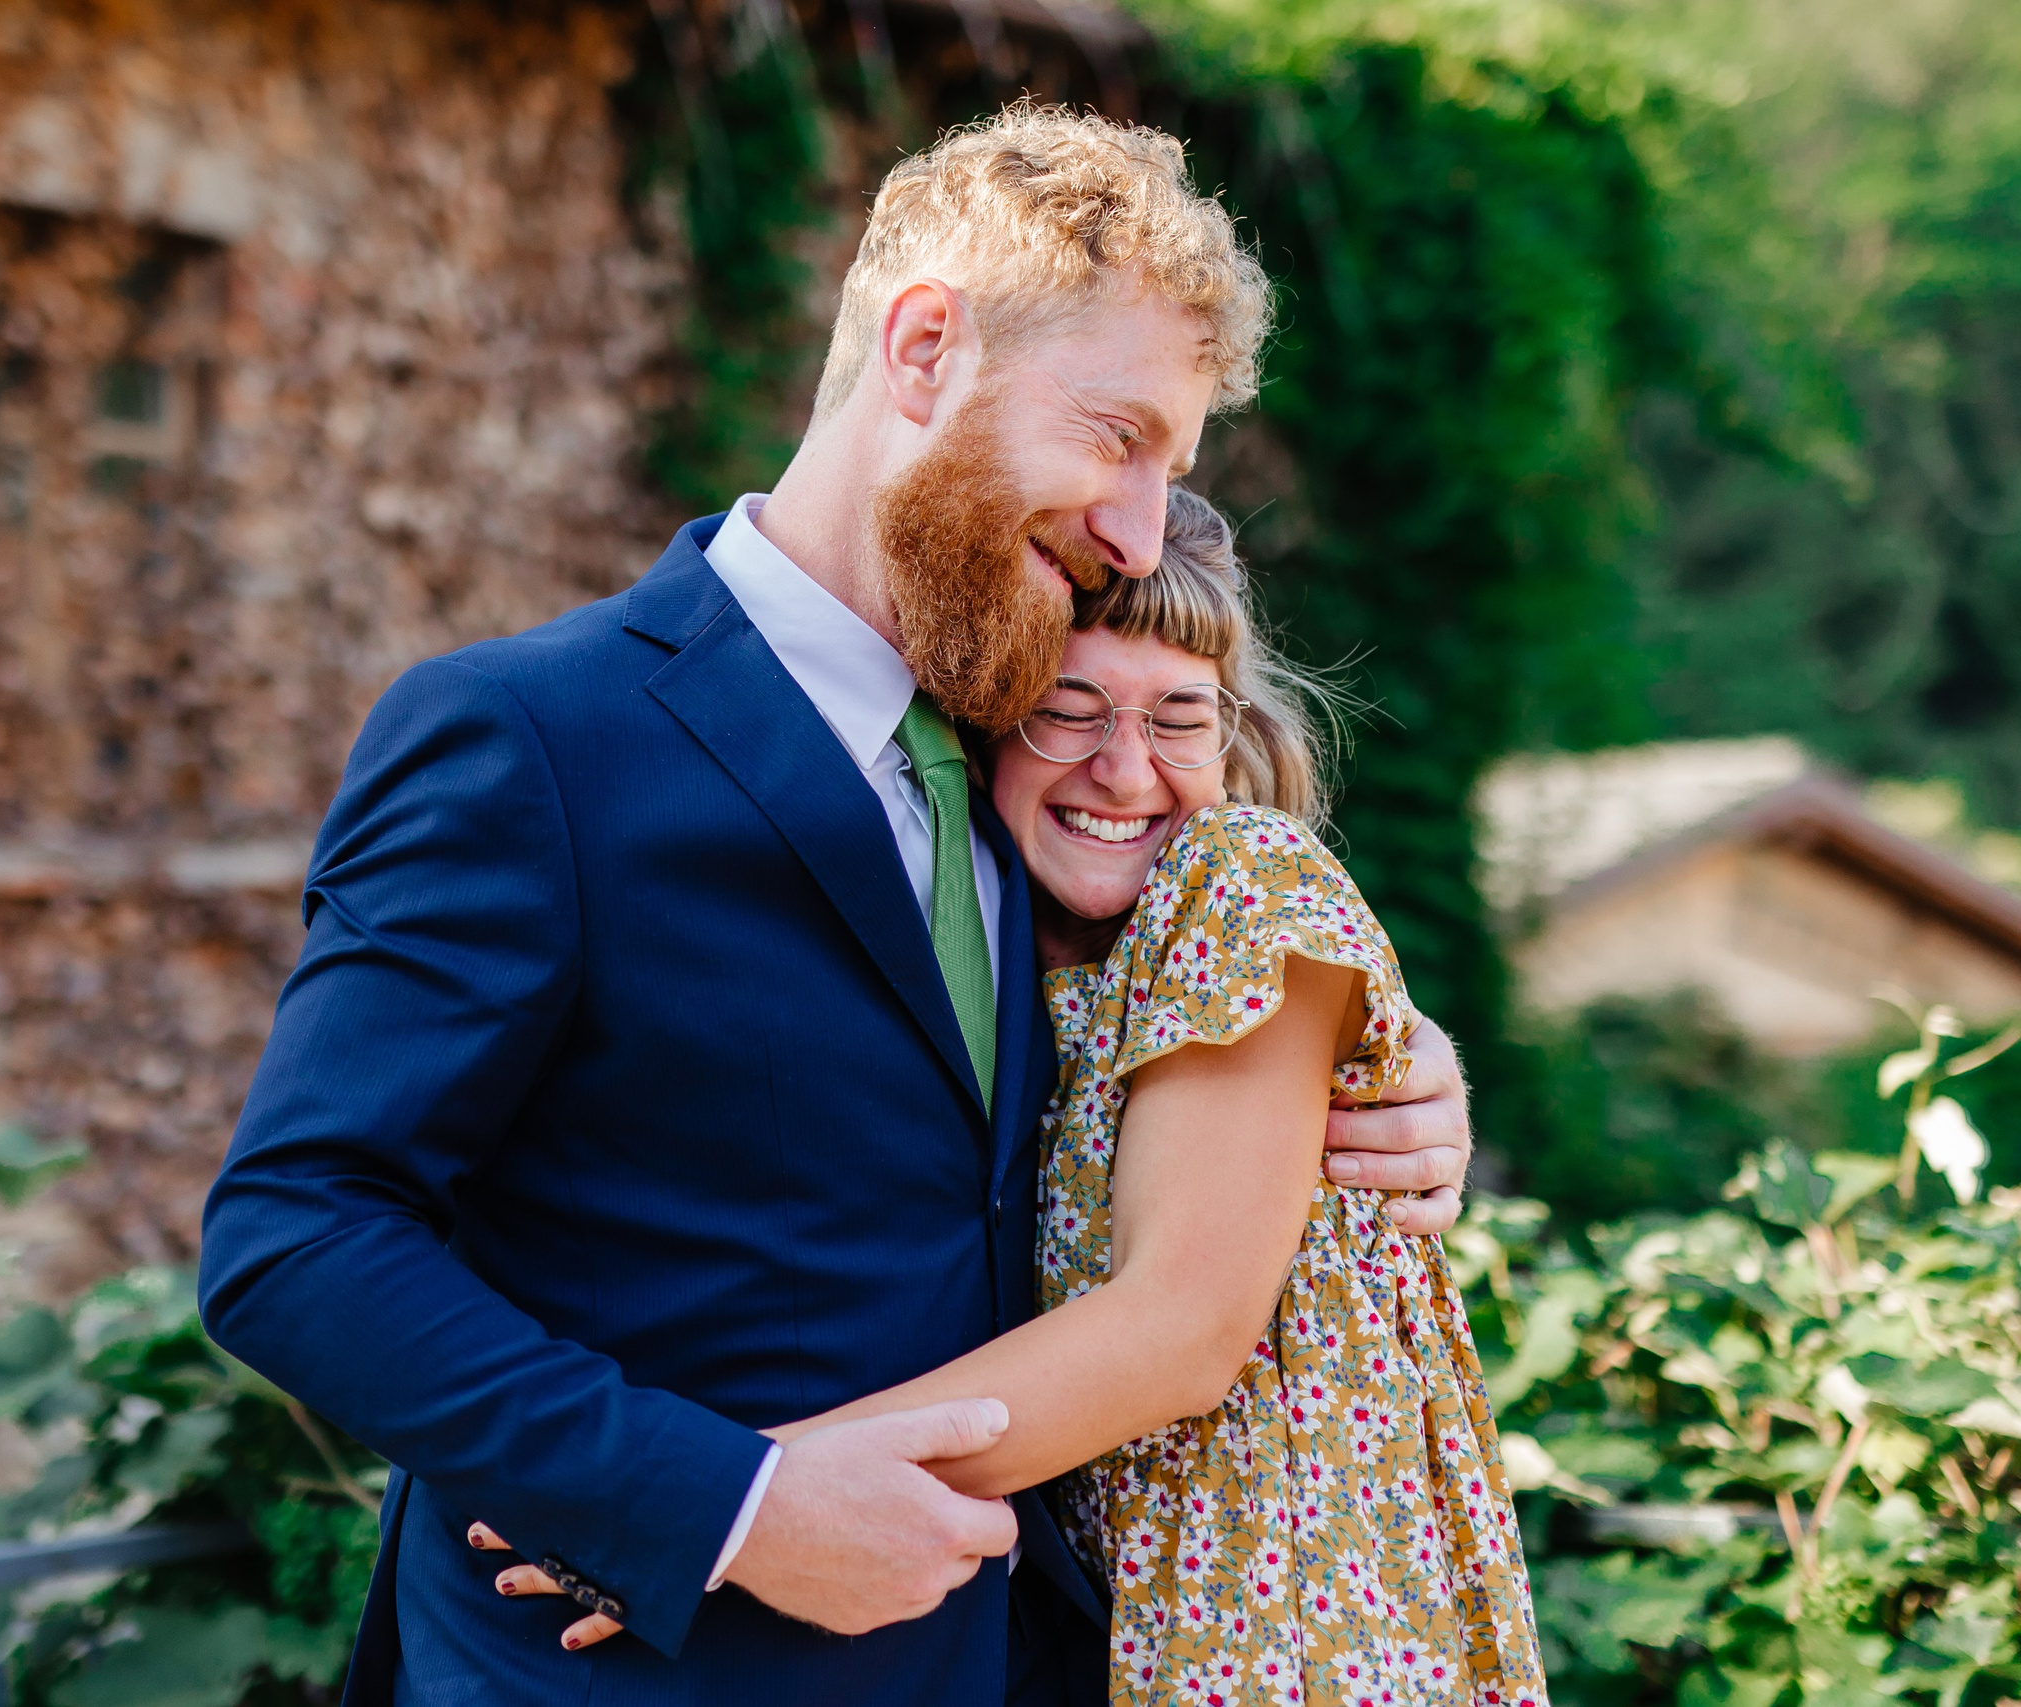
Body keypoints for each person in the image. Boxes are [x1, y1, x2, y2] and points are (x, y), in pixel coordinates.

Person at [197, 104, 1475, 1707]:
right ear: (925, 347)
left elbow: (1153, 1095)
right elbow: (297, 1232)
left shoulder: (1028, 758)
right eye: (1118, 436)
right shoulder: (530, 737)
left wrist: (1397, 1081)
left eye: (1174, 467)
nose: (1143, 531)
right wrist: (720, 1507)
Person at [511, 491, 1548, 1706]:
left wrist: (707, 1500)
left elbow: (1180, 1332)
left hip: (1307, 1618)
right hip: (1116, 1625)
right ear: (982, 734)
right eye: (1068, 714)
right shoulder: (1005, 971)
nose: (1127, 771)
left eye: (1180, 720)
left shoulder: (1240, 881)